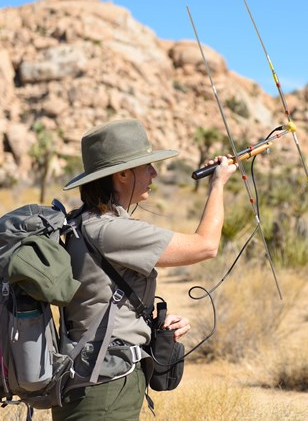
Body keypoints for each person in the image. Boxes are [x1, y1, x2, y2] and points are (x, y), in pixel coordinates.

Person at [52, 118, 237, 420]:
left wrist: (147, 325)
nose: (154, 172)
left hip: (95, 381)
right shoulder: (111, 230)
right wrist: (218, 184)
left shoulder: (82, 223)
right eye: (145, 166)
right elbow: (205, 245)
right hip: (105, 389)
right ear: (122, 174)